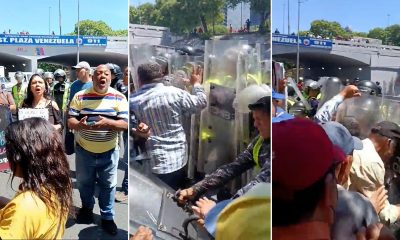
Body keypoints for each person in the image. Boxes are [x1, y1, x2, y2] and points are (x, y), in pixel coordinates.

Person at [68, 64, 128, 235]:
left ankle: (107, 217)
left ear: (111, 77)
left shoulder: (119, 98)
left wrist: (108, 123)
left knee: (108, 185)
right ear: (93, 77)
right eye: (99, 73)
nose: (102, 76)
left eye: (106, 74)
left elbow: (124, 124)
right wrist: (79, 124)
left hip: (109, 151)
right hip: (84, 150)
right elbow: (70, 120)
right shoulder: (80, 96)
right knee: (84, 183)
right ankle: (87, 209)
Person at [178, 95, 270, 202]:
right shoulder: (259, 141)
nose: (255, 124)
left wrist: (220, 211)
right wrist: (195, 189)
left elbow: (258, 185)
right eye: (254, 119)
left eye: (259, 120)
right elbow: (232, 168)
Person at [130, 62, 207, 190]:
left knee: (158, 197)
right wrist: (196, 84)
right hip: (178, 158)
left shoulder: (133, 100)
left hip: (155, 162)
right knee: (175, 194)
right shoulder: (175, 93)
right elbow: (201, 102)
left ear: (139, 78)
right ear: (161, 75)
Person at [0, 117, 73, 239]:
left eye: (9, 149)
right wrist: (7, 205)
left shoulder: (23, 207)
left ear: (19, 157)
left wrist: (12, 209)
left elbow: (24, 213)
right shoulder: (58, 183)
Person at [349, 121, 400, 225]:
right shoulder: (373, 162)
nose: (392, 155)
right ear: (389, 143)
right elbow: (384, 215)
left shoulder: (361, 145)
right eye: (394, 150)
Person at [115, 66, 129, 202]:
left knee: (129, 160)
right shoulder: (122, 90)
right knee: (128, 159)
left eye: (129, 74)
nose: (126, 77)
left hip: (138, 131)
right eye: (125, 74)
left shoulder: (137, 91)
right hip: (127, 130)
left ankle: (126, 190)